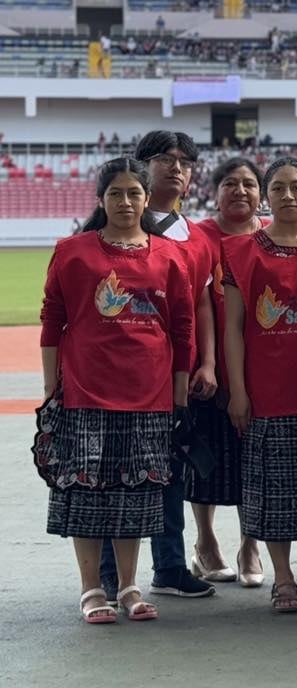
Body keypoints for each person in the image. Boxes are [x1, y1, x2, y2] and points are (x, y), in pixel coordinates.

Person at [38, 157, 194, 623]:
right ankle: (91, 589)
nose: (125, 202)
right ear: (101, 199)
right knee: (85, 492)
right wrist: (53, 390)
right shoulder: (73, 251)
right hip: (85, 392)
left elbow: (183, 330)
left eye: (133, 193)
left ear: (147, 199)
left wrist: (179, 393)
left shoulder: (169, 256)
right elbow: (52, 322)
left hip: (149, 395)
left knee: (137, 492)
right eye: (115, 194)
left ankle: (128, 585)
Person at [97, 131, 216, 602]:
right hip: (118, 372)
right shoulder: (115, 222)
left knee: (169, 470)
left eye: (185, 161)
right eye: (165, 159)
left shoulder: (199, 236)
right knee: (113, 472)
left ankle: (169, 565)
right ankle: (110, 575)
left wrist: (206, 363)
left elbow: (203, 304)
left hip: (175, 373)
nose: (176, 168)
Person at [223, 157, 297, 613]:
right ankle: (282, 578)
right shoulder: (239, 252)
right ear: (266, 196)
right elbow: (234, 328)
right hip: (266, 392)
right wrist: (238, 390)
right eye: (279, 188)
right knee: (272, 492)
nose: (288, 196)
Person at [187, 157, 268, 590]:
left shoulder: (272, 236)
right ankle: (205, 543)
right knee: (208, 460)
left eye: (249, 184)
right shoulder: (199, 236)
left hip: (261, 368)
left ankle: (249, 544)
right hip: (209, 369)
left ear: (261, 193)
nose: (240, 191)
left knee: (252, 462)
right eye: (230, 184)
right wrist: (206, 363)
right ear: (215, 192)